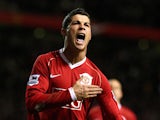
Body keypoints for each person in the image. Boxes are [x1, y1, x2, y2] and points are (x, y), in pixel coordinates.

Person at [25, 8, 123, 120]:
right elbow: (32, 102)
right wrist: (72, 94)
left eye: (87, 25)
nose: (82, 27)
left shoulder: (97, 77)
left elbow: (115, 116)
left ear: (90, 35)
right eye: (76, 23)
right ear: (64, 31)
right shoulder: (46, 61)